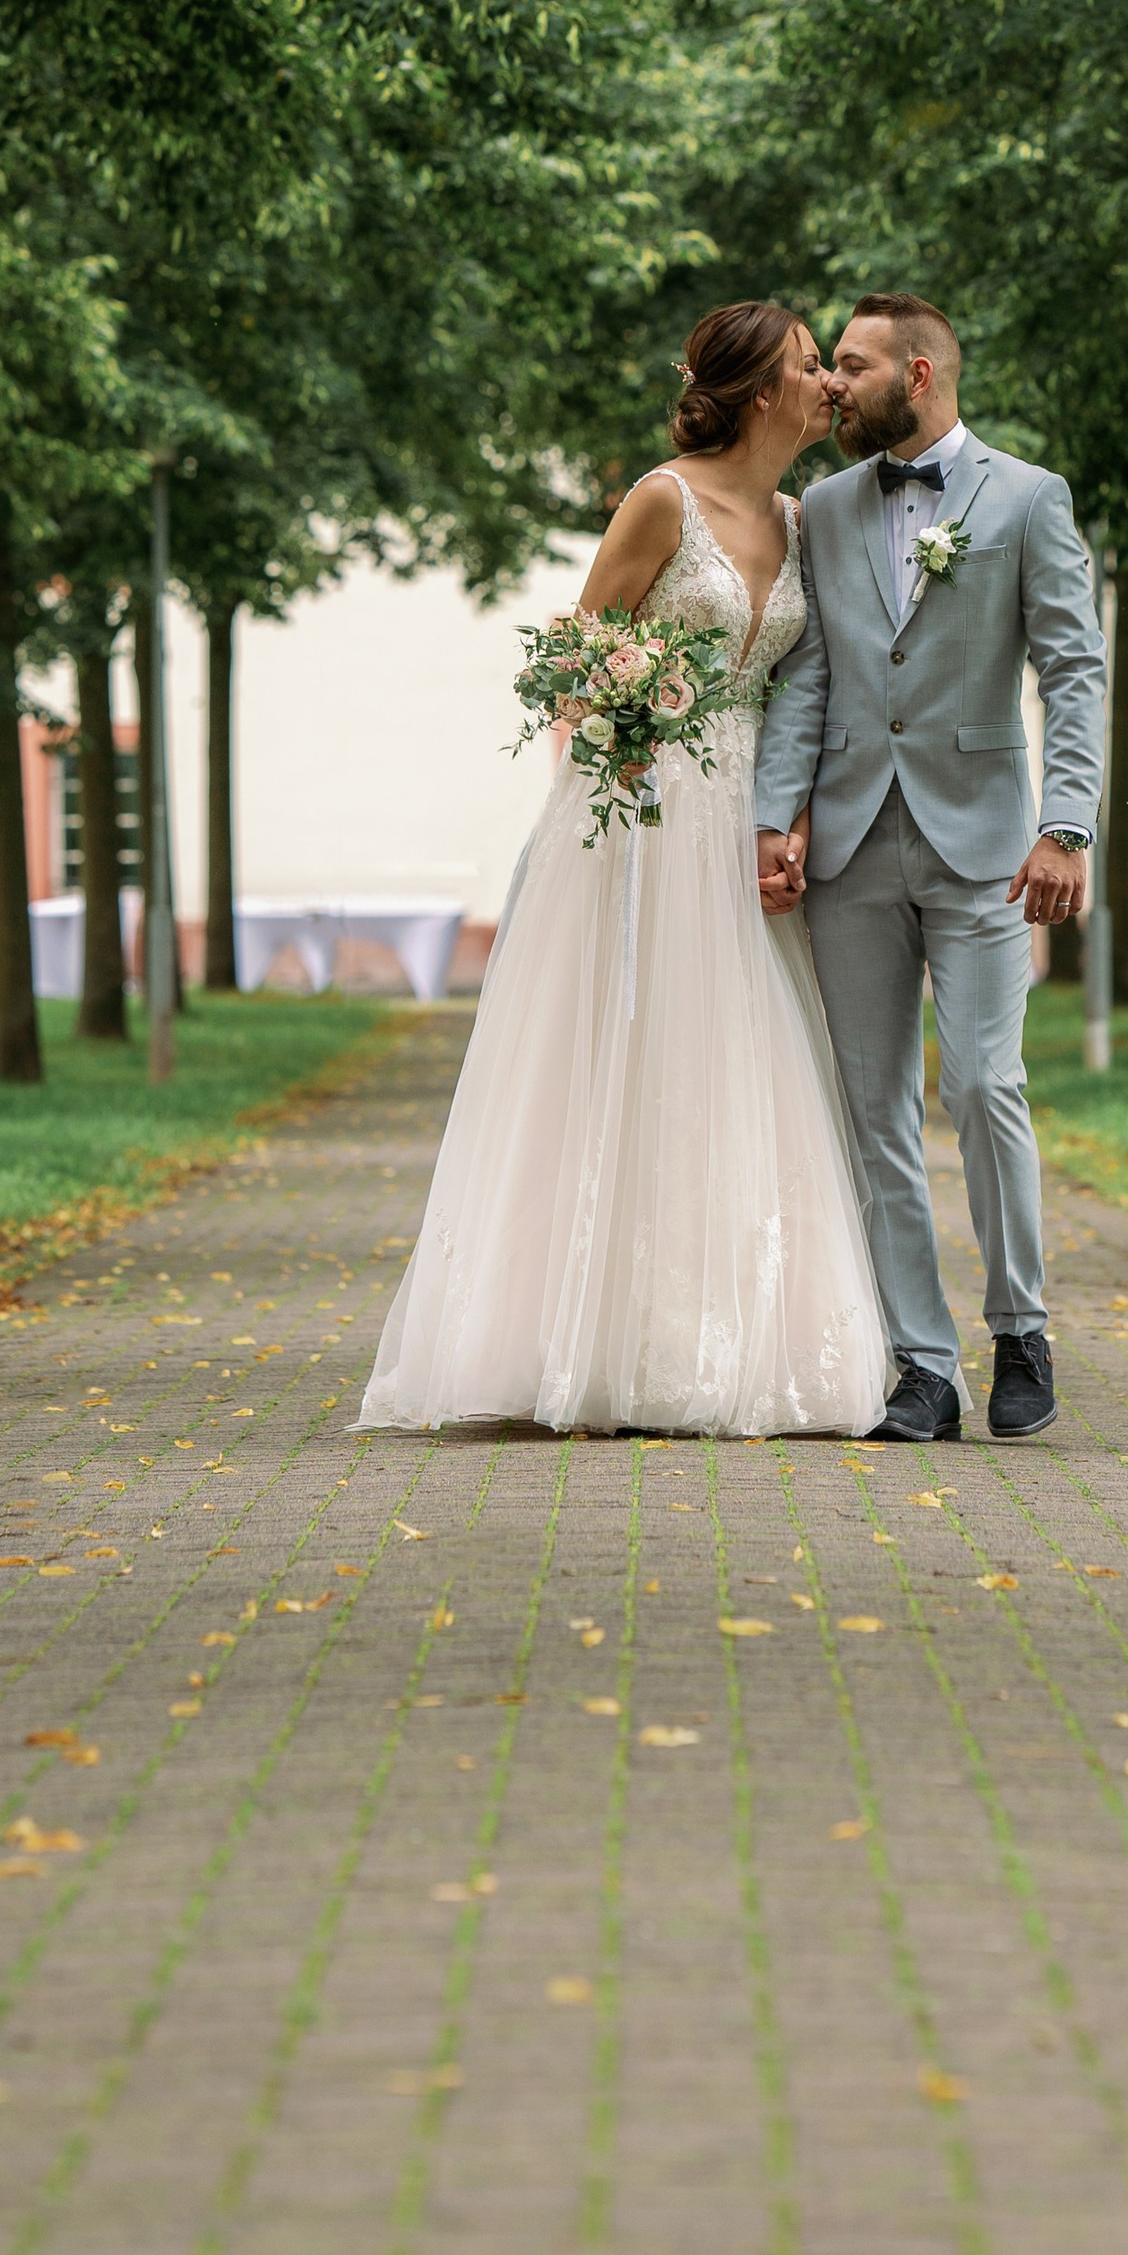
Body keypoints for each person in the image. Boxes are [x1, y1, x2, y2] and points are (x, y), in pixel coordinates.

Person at [359, 303, 889, 1438]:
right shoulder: (663, 497)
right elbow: (574, 651)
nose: (828, 383)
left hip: (743, 817)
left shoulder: (804, 521)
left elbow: (805, 686)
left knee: (731, 1062)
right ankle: (582, 1341)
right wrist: (633, 687)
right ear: (763, 393)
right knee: (625, 1051)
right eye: (811, 365)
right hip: (638, 812)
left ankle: (720, 1339)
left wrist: (786, 813)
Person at [755, 296, 1106, 1442]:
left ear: (917, 372)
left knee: (984, 1084)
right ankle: (919, 1363)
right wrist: (776, 816)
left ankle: (1020, 1328)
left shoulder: (1028, 498)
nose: (830, 384)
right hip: (852, 845)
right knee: (874, 1108)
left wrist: (1067, 824)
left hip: (987, 851)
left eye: (847, 365)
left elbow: (1072, 666)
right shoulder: (824, 506)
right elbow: (807, 673)